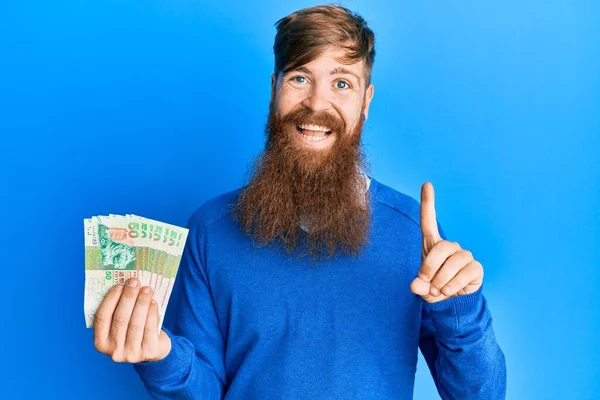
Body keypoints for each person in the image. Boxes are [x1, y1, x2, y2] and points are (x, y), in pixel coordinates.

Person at [92, 5, 506, 399]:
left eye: (341, 83)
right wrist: (160, 356)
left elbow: (482, 396)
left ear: (366, 102)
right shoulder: (210, 230)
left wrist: (462, 308)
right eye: (299, 78)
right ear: (274, 89)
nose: (316, 104)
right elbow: (204, 391)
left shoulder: (414, 234)